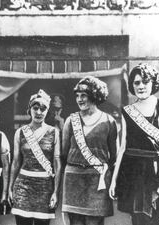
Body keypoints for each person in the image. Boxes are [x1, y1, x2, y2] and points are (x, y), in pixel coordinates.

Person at [109, 64, 159, 225]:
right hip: (134, 172)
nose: (140, 86)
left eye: (145, 82)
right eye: (136, 82)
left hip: (158, 170)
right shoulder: (127, 111)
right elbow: (123, 147)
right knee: (139, 219)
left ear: (153, 83)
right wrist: (114, 179)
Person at [61, 76, 117, 225]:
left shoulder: (109, 121)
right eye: (77, 96)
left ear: (94, 95)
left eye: (83, 95)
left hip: (97, 180)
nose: (79, 99)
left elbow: (114, 156)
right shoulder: (70, 121)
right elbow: (64, 153)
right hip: (74, 178)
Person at [8, 89, 61, 225]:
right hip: (22, 187)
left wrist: (55, 192)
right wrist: (10, 188)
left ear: (47, 111)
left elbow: (57, 164)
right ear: (29, 109)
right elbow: (15, 162)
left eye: (43, 109)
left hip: (45, 188)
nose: (38, 112)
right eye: (35, 108)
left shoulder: (54, 132)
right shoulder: (20, 132)